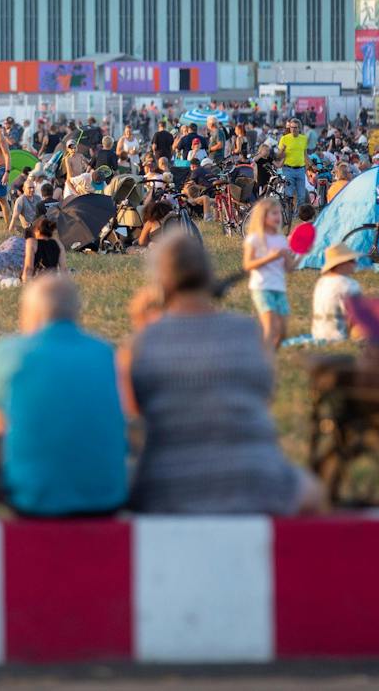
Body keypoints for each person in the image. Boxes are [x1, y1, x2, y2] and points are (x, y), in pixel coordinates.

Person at [126, 234, 322, 515]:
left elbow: (134, 416)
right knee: (313, 489)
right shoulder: (248, 332)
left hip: (167, 486)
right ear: (208, 274)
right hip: (257, 481)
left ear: (162, 281)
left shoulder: (142, 343)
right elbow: (264, 395)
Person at [0, 276, 128, 516]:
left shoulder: (9, 353)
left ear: (32, 314)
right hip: (106, 498)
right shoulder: (105, 352)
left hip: (32, 501)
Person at [242, 197, 291, 352]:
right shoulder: (255, 239)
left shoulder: (281, 239)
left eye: (279, 213)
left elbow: (288, 268)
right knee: (269, 326)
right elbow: (248, 265)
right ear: (262, 217)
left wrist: (292, 255)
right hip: (262, 287)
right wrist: (271, 257)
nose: (278, 217)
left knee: (282, 332)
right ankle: (264, 360)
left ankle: (269, 355)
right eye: (274, 213)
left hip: (279, 287)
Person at [309, 242, 365, 343]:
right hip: (339, 337)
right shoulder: (350, 285)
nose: (355, 263)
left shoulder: (321, 282)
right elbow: (357, 317)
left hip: (318, 335)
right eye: (352, 260)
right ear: (341, 264)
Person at [277, 119, 310, 212]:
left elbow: (305, 155)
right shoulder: (284, 138)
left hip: (300, 170)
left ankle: (296, 216)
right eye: (291, 127)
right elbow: (278, 156)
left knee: (302, 196)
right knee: (289, 195)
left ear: (299, 128)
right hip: (288, 169)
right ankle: (288, 214)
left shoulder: (304, 139)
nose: (293, 129)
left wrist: (311, 165)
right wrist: (282, 150)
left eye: (295, 128)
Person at [20, 214, 64, 280]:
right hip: (52, 279)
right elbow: (64, 269)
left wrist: (25, 283)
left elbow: (28, 268)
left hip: (36, 280)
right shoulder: (58, 243)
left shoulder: (32, 242)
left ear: (37, 230)